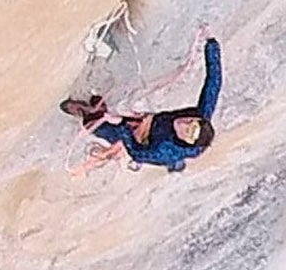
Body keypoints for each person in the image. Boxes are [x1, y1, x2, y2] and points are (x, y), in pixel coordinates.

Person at [62, 38, 224, 172]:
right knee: (125, 117)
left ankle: (86, 113)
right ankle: (177, 165)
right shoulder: (201, 116)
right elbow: (214, 82)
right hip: (155, 124)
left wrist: (123, 126)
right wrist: (211, 45)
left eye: (186, 131)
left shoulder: (163, 150)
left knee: (97, 126)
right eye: (190, 122)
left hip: (146, 141)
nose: (184, 123)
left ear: (184, 140)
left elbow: (137, 153)